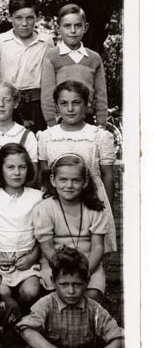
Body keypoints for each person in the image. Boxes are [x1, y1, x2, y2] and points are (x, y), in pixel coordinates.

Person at [17, 247, 125, 348]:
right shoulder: (46, 304)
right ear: (53, 282)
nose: (71, 291)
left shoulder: (94, 308)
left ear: (86, 282)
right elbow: (27, 331)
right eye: (64, 284)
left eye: (77, 284)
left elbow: (120, 339)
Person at [38, 80, 117, 256]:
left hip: (92, 202)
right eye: (64, 103)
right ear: (57, 107)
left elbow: (107, 176)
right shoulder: (47, 136)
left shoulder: (99, 136)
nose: (70, 109)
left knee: (91, 254)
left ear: (87, 105)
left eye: (76, 102)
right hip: (58, 204)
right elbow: (45, 176)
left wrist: (106, 210)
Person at [33, 153, 110, 302]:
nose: (69, 185)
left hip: (89, 264)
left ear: (85, 182)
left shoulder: (95, 209)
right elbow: (47, 247)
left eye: (75, 180)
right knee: (57, 297)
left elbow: (98, 247)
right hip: (55, 265)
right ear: (53, 181)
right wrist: (62, 270)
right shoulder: (45, 208)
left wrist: (85, 271)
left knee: (91, 296)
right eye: (63, 180)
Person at [0, 144, 43, 312]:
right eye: (10, 167)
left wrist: (33, 257)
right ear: (0, 169)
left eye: (22, 167)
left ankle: (26, 320)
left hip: (28, 260)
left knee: (30, 292)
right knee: (2, 293)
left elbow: (43, 235)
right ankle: (11, 326)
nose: (17, 173)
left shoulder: (36, 197)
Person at [0, 0, 52, 133]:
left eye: (30, 18)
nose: (24, 23)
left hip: (36, 104)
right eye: (18, 18)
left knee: (35, 144)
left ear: (37, 17)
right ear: (10, 17)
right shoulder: (0, 41)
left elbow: (50, 78)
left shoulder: (46, 42)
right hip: (8, 102)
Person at [41, 3, 108, 127]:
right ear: (58, 28)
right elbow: (47, 94)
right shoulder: (52, 56)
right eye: (67, 26)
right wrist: (51, 123)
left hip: (87, 119)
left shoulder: (94, 58)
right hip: (60, 121)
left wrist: (101, 123)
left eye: (78, 26)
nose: (73, 31)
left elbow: (101, 95)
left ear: (85, 27)